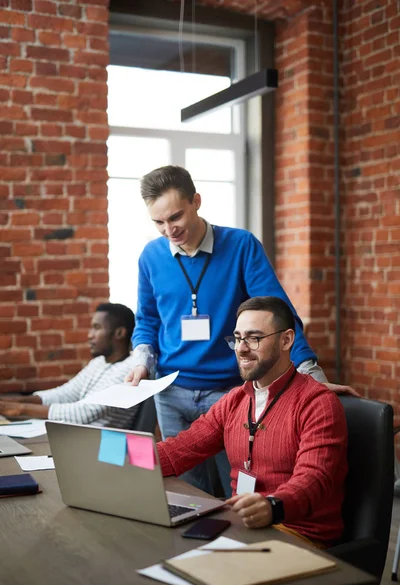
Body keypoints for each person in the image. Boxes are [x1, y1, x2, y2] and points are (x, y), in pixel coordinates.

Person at [127, 165, 356, 496]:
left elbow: (280, 314)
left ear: (196, 201)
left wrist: (311, 375)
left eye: (175, 217)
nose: (169, 230)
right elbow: (146, 319)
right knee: (185, 493)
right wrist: (142, 362)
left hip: (229, 394)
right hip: (171, 392)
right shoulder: (151, 256)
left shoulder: (240, 245)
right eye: (158, 222)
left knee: (239, 490)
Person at [157, 296, 348, 548]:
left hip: (298, 535)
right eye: (237, 338)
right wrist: (119, 458)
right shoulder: (234, 400)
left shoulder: (318, 403)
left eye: (254, 338)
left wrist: (273, 506)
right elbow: (178, 451)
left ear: (286, 340)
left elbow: (315, 479)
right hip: (243, 527)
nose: (241, 348)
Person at [0, 303, 141, 428]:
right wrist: (13, 401)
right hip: (76, 438)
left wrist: (19, 408)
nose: (89, 335)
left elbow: (83, 413)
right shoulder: (99, 362)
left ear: (119, 333)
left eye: (96, 328)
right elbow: (65, 393)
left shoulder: (129, 368)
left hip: (100, 448)